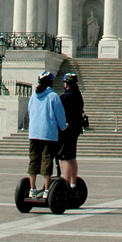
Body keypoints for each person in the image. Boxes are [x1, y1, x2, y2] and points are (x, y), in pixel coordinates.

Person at [26, 70, 67, 200]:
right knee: (47, 161)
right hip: (48, 134)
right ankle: (46, 190)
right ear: (51, 82)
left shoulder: (34, 96)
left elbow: (30, 112)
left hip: (34, 133)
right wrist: (64, 127)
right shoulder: (53, 96)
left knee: (33, 161)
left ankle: (32, 189)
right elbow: (60, 116)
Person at [57, 71, 85, 192]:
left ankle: (66, 185)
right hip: (76, 129)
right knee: (72, 156)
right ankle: (73, 184)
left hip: (67, 130)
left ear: (66, 84)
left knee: (65, 157)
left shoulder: (67, 96)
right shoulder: (78, 95)